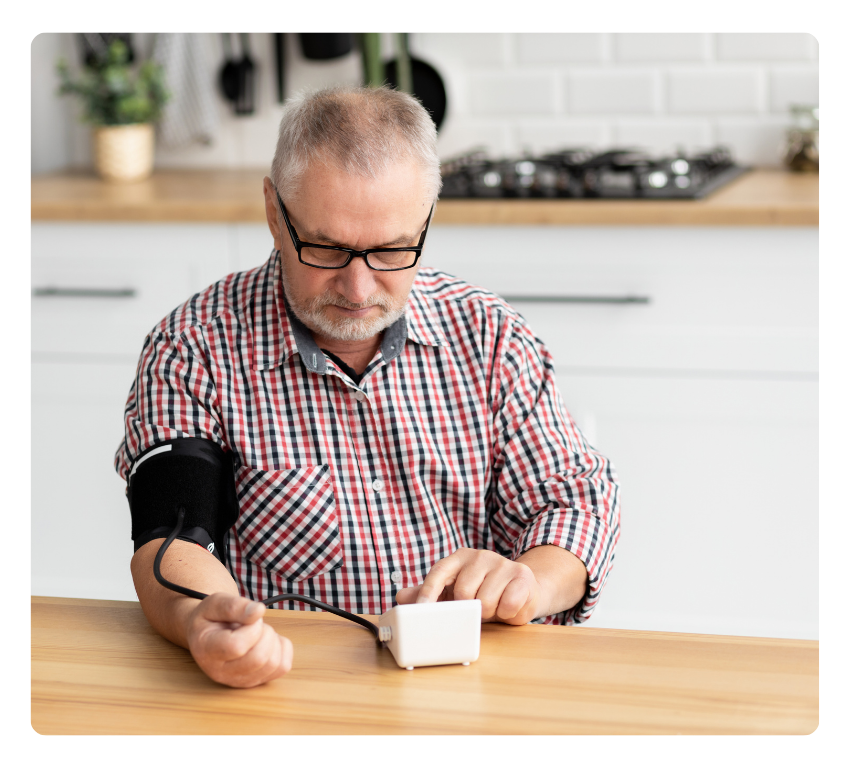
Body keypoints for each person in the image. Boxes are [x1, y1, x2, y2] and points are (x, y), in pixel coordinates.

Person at [116, 85, 620, 688]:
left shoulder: (490, 336)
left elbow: (573, 504)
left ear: (426, 222)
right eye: (326, 249)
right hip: (290, 686)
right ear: (275, 214)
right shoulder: (193, 346)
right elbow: (172, 537)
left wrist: (529, 581)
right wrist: (203, 619)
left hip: (471, 684)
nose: (358, 290)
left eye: (390, 250)